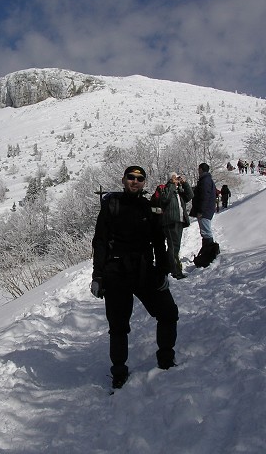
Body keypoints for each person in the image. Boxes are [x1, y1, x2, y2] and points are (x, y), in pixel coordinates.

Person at [91, 166, 179, 389]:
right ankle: (119, 373)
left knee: (168, 312)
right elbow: (100, 241)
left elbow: (159, 241)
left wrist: (162, 270)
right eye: (131, 177)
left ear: (144, 183)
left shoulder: (148, 207)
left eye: (140, 179)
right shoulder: (112, 205)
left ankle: (166, 359)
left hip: (144, 270)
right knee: (118, 326)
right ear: (123, 180)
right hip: (116, 272)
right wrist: (98, 276)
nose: (135, 181)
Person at [150, 172, 193, 280]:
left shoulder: (178, 191)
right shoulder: (166, 189)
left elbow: (190, 195)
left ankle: (171, 267)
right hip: (170, 221)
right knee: (173, 246)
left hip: (179, 220)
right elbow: (165, 200)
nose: (176, 180)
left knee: (176, 246)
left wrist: (185, 183)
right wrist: (171, 184)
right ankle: (175, 271)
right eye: (174, 178)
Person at [189, 163, 220, 268]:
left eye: (199, 169)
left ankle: (209, 253)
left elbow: (204, 196)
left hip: (205, 211)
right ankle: (208, 252)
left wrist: (201, 210)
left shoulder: (205, 181)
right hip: (207, 210)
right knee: (205, 232)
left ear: (201, 169)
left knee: (206, 232)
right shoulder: (207, 180)